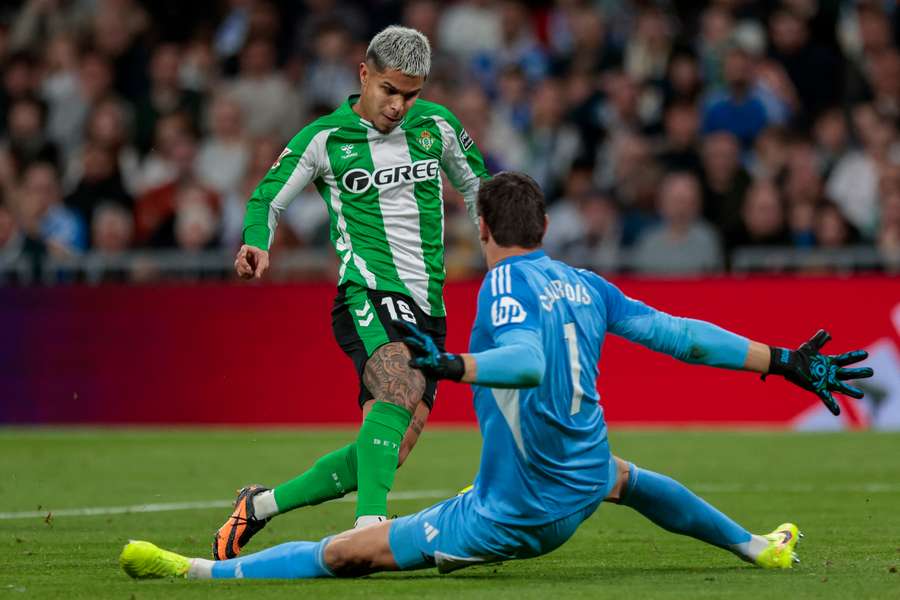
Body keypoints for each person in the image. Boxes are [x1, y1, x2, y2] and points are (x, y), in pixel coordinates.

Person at [121, 171, 873, 580]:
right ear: (545, 230)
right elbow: (681, 337)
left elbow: (527, 361)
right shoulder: (584, 282)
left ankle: (193, 572)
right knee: (625, 477)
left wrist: (458, 363)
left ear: (482, 230)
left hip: (514, 514)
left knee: (351, 555)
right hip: (578, 479)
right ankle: (754, 548)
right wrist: (781, 359)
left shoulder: (503, 289)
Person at [220, 25, 489, 558]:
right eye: (389, 90)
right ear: (364, 75)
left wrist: (504, 258)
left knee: (388, 447)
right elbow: (267, 199)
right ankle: (371, 526)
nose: (399, 106)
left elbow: (481, 189)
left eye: (410, 94)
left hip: (429, 308)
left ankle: (260, 505)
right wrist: (257, 242)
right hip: (365, 291)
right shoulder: (325, 139)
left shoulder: (437, 126)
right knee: (396, 383)